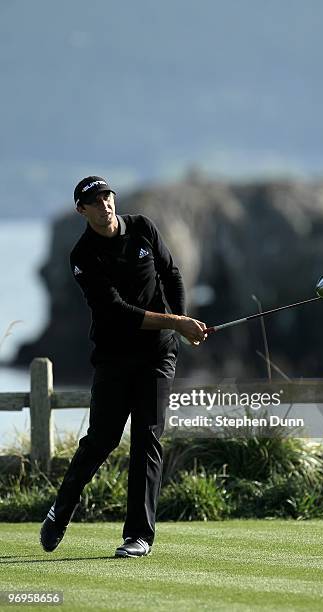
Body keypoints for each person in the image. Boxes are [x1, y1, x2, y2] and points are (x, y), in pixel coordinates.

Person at [40, 176, 206, 557]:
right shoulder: (83, 256)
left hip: (158, 355)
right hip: (115, 358)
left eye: (107, 197)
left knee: (147, 437)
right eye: (95, 202)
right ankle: (60, 511)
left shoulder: (143, 228)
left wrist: (179, 323)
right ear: (82, 210)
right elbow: (116, 312)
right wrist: (176, 323)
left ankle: (138, 536)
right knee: (101, 441)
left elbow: (172, 273)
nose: (105, 205)